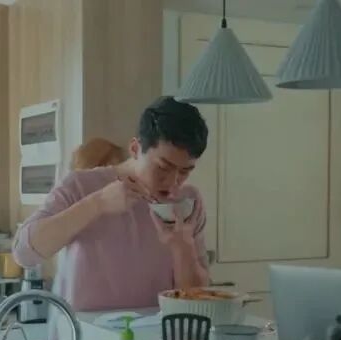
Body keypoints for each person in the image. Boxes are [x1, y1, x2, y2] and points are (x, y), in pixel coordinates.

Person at [13, 96, 211, 312]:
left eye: (185, 172)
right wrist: (97, 203)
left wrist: (183, 248)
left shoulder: (188, 203)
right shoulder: (80, 185)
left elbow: (198, 303)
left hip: (154, 332)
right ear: (135, 148)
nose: (173, 183)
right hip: (84, 332)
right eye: (163, 168)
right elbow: (24, 253)